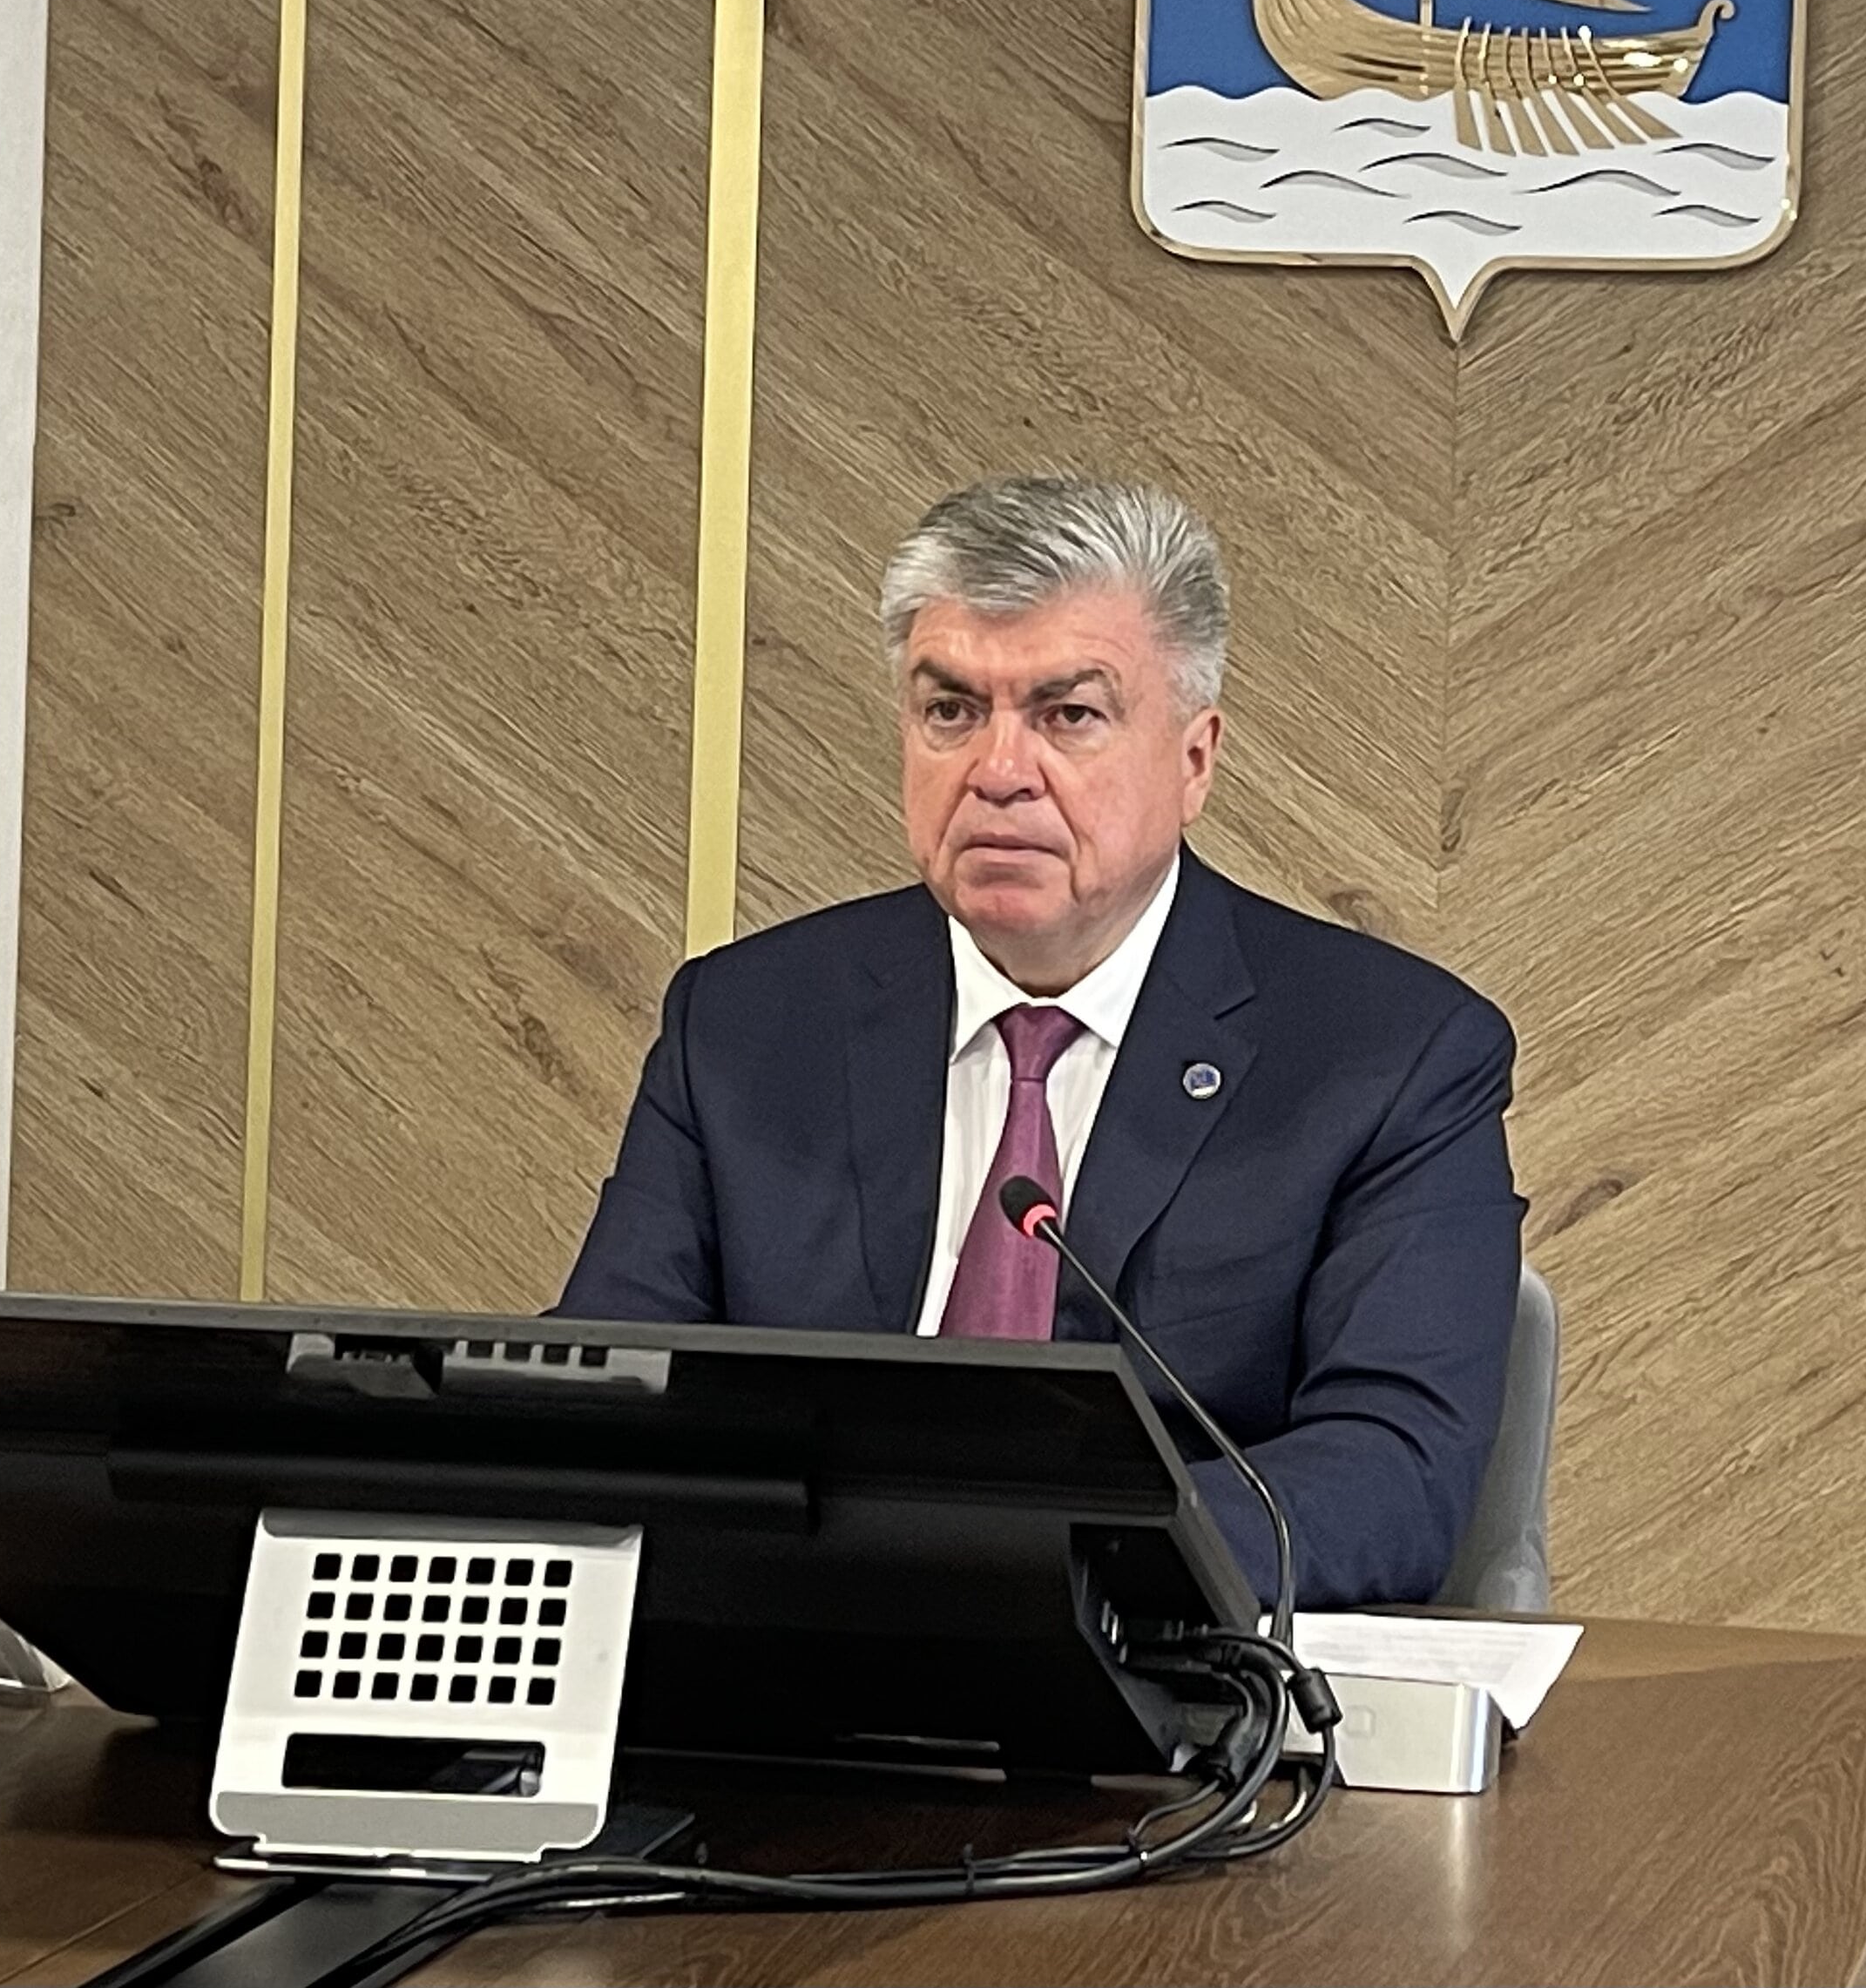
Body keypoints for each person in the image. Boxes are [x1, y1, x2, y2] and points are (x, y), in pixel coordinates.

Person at [558, 473, 1524, 1607]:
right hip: (787, 1650)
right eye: (951, 711)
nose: (999, 771)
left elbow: (1393, 1471)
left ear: (1195, 759)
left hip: (1147, 1656)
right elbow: (601, 1394)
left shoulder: (1391, 1055)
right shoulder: (746, 1023)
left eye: (1069, 715)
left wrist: (1031, 1561)